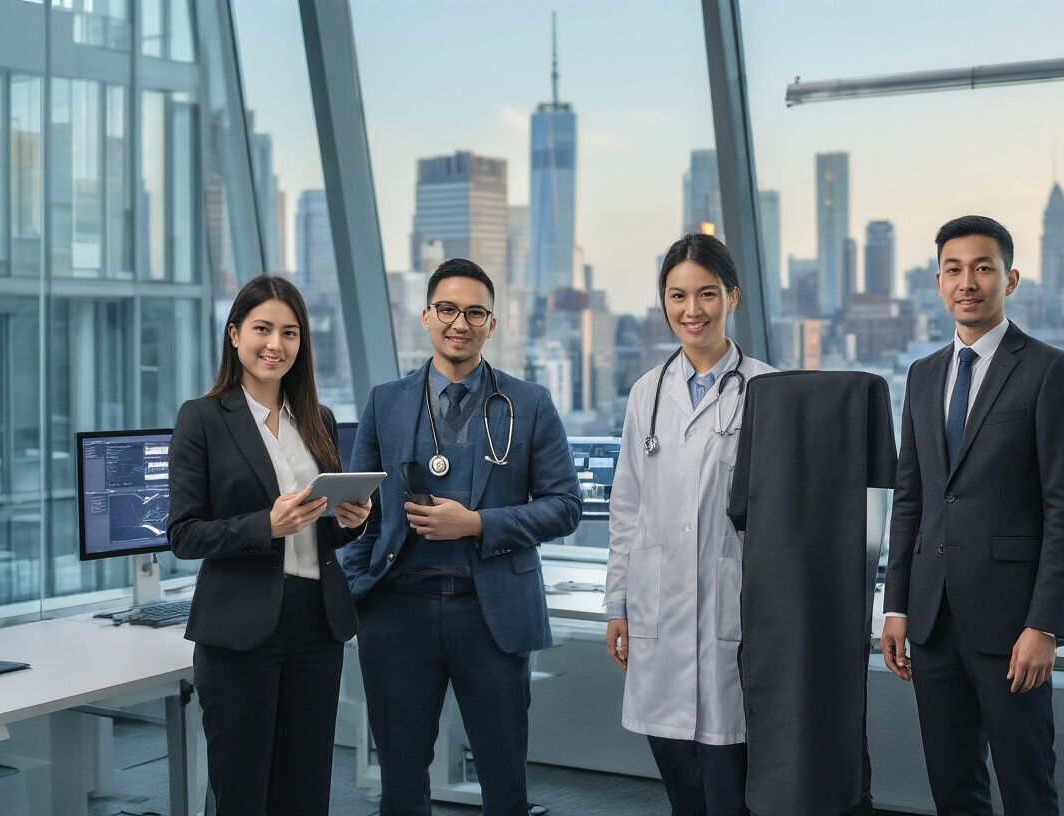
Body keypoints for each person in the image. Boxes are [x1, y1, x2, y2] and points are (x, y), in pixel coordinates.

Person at [342, 258, 582, 816]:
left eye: (475, 313)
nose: (460, 322)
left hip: (490, 611)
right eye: (447, 309)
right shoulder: (385, 402)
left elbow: (565, 506)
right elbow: (364, 515)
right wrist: (356, 589)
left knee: (504, 781)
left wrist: (476, 524)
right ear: (426, 316)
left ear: (491, 325)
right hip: (398, 613)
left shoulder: (529, 403)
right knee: (400, 782)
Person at [879, 215, 1064, 815]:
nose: (966, 282)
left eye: (982, 268)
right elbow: (912, 499)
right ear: (938, 282)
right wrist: (897, 606)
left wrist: (1045, 624)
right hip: (932, 622)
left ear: (1010, 279)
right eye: (953, 269)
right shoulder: (922, 375)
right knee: (954, 790)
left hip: (1012, 626)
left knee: (1028, 790)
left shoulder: (1049, 371)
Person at [167, 274, 371, 814]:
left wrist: (350, 520)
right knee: (243, 792)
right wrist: (266, 526)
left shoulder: (318, 420)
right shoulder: (202, 418)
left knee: (305, 791)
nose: (275, 344)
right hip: (241, 627)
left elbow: (324, 528)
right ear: (234, 334)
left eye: (289, 332)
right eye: (262, 329)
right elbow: (183, 534)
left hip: (317, 624)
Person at [604, 233, 775, 816]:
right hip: (657, 614)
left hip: (734, 610)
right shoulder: (646, 393)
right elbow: (627, 507)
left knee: (731, 791)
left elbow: (783, 515)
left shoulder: (767, 389)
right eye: (677, 296)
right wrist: (617, 604)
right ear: (663, 302)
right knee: (682, 787)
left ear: (733, 297)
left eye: (707, 294)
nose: (692, 310)